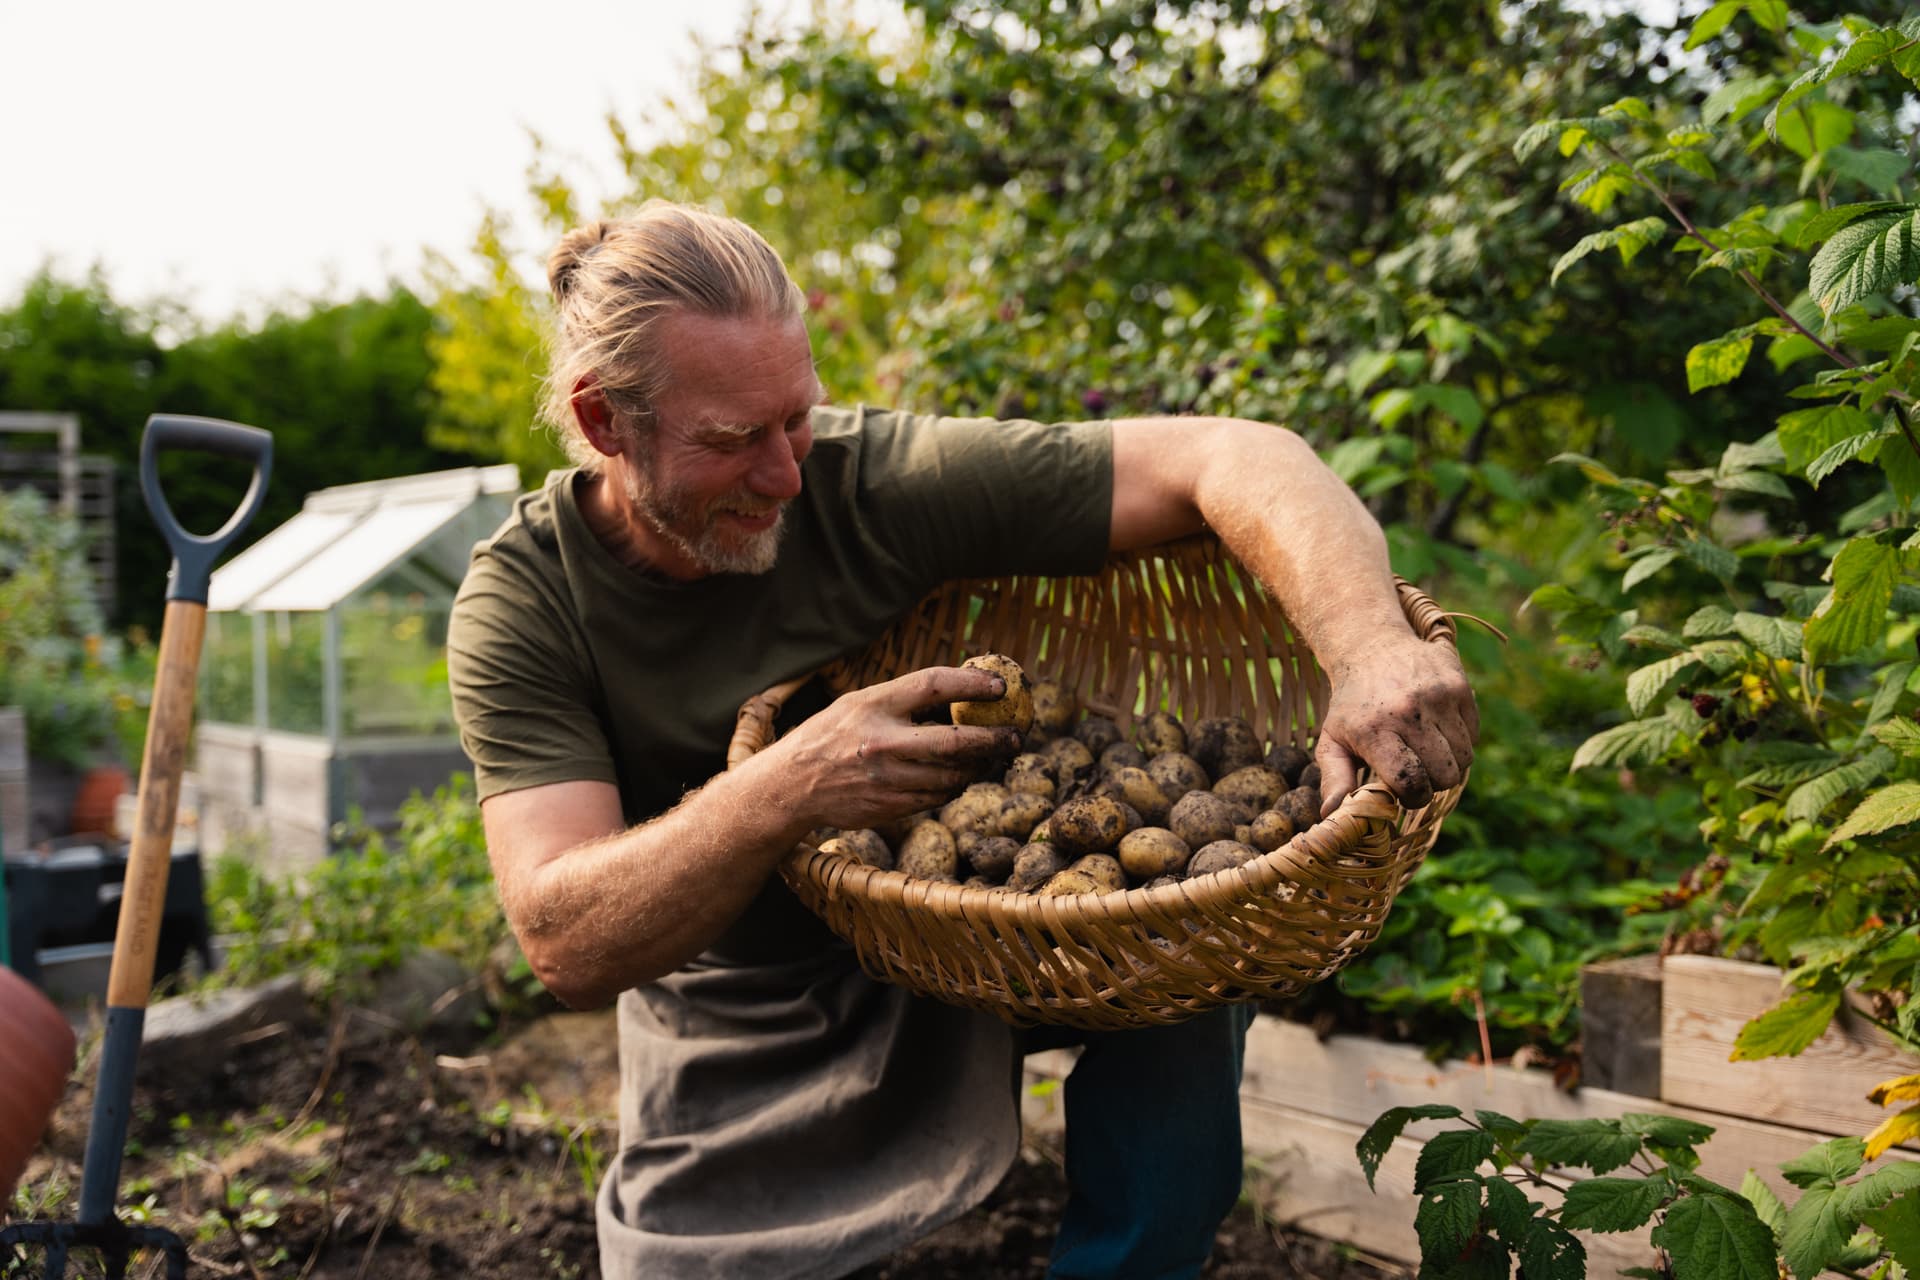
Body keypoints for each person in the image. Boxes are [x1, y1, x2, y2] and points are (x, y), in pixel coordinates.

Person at [447, 200, 1477, 1280]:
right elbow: (564, 940)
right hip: (744, 1001)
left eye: (797, 417)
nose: (788, 475)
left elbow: (1237, 454)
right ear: (607, 421)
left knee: (1179, 937)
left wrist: (1369, 646)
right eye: (732, 439)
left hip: (988, 936)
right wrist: (787, 785)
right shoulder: (527, 600)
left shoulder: (869, 480)